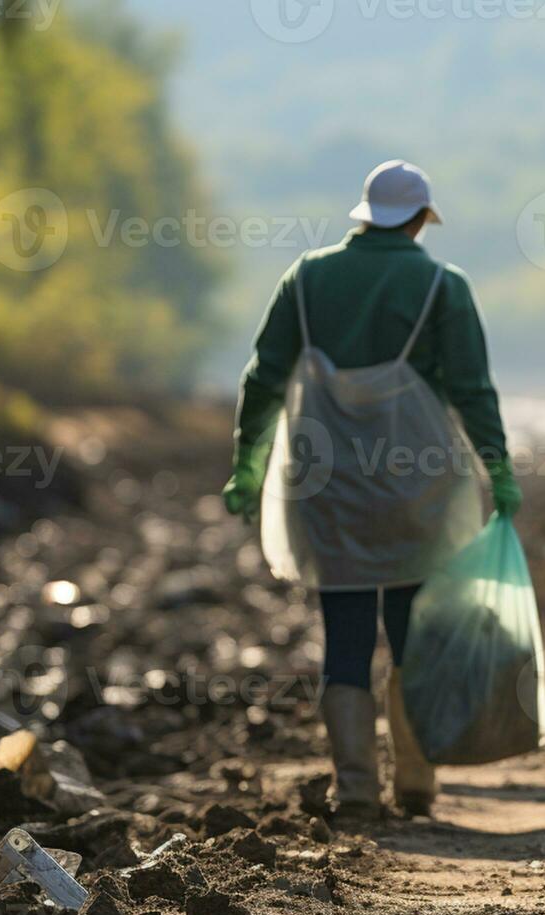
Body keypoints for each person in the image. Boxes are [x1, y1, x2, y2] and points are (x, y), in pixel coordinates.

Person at [221, 160, 521, 820]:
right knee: (411, 632)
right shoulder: (443, 285)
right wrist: (497, 469)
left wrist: (247, 465)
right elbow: (472, 391)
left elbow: (263, 381)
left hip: (328, 489)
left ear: (364, 216)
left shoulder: (305, 279)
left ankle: (355, 787)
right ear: (419, 220)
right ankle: (415, 780)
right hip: (416, 486)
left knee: (346, 635)